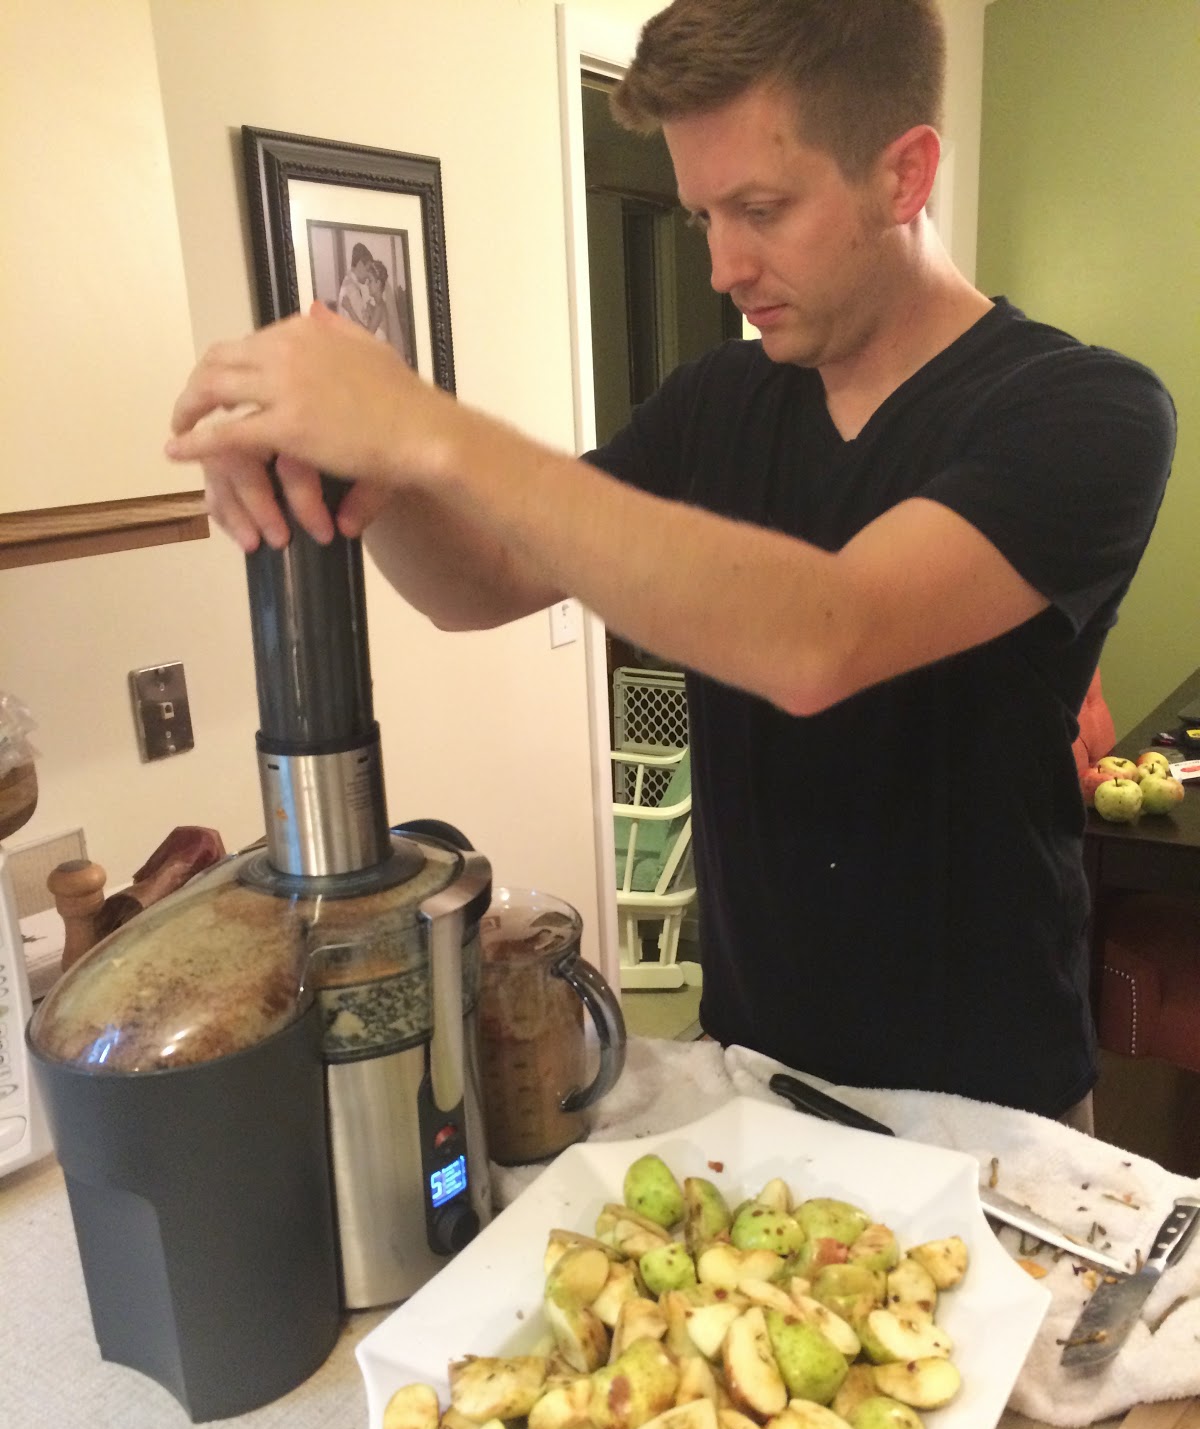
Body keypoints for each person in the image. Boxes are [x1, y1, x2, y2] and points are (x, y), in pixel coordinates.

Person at [166, 0, 1176, 1127]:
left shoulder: (1086, 412)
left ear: (906, 176)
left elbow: (823, 636)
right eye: (703, 216)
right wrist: (373, 472)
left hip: (990, 1104)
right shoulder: (716, 402)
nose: (722, 266)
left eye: (761, 209)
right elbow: (480, 583)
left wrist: (426, 425)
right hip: (752, 1073)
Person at [336, 242, 375, 331]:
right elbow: (364, 332)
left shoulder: (347, 282)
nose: (368, 275)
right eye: (368, 269)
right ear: (360, 264)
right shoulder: (352, 289)